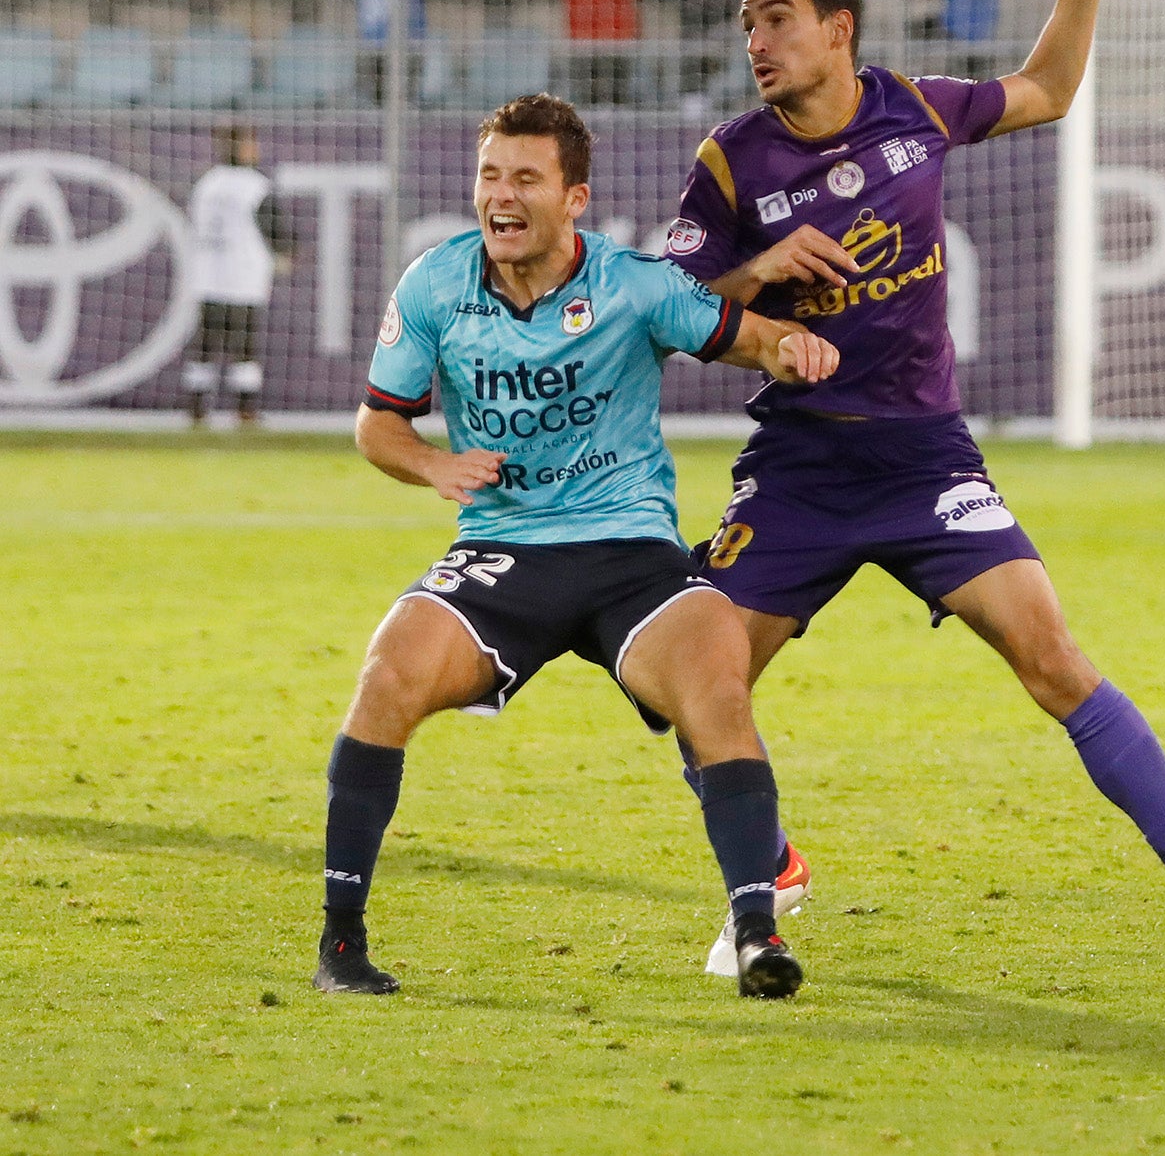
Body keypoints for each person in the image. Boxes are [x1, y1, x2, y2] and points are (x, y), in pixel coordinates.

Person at [664, 0, 1165, 976]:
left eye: (777, 18)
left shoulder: (915, 108)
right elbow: (665, 307)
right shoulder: (732, 160)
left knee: (1053, 656)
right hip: (798, 470)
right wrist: (757, 271)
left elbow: (1048, 90)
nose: (757, 42)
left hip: (926, 462)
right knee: (692, 680)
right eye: (748, 23)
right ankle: (769, 868)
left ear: (837, 29)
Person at [314, 93, 840, 1000]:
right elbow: (377, 427)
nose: (500, 196)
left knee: (715, 670)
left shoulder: (634, 285)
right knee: (389, 671)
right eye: (489, 175)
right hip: (504, 553)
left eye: (525, 177)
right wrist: (432, 466)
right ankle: (342, 944)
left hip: (627, 552)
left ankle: (757, 929)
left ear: (575, 198)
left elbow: (748, 338)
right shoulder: (434, 284)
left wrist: (797, 349)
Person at [182, 125, 292, 426]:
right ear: (242, 148)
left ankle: (196, 406)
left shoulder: (206, 183)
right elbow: (275, 227)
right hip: (243, 277)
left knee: (205, 344)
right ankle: (245, 409)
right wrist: (286, 252)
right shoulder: (255, 185)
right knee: (243, 346)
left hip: (207, 277)